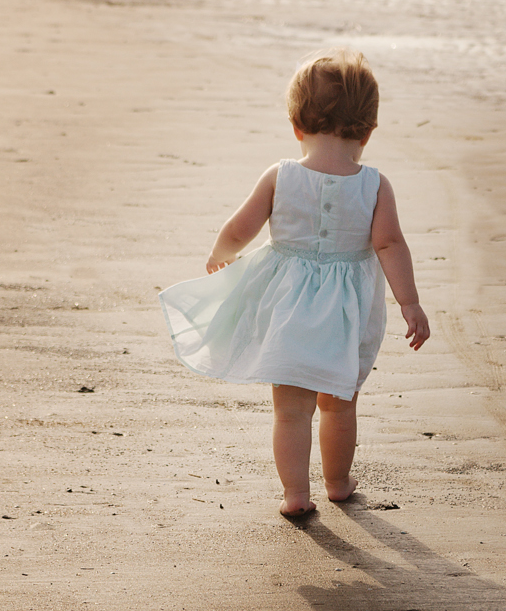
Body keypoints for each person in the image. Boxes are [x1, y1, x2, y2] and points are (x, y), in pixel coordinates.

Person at [160, 51, 430, 518]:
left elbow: (240, 227)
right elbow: (389, 245)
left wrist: (220, 257)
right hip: (347, 313)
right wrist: (410, 303)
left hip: (286, 309)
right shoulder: (374, 185)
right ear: (367, 131)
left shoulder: (280, 175)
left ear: (296, 124)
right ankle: (338, 482)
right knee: (339, 406)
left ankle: (295, 495)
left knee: (290, 411)